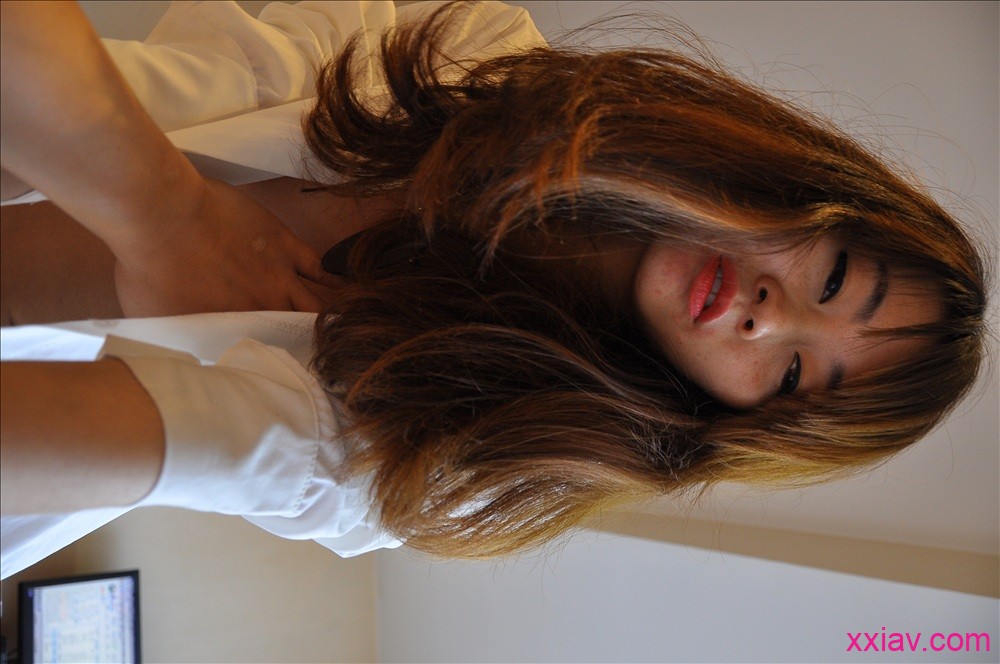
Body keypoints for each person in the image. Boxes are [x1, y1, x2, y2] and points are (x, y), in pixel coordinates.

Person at [0, 0, 988, 574]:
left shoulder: (438, 455)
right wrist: (166, 214)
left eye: (792, 376)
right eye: (833, 278)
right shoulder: (475, 59)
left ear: (737, 421)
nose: (770, 320)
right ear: (799, 193)